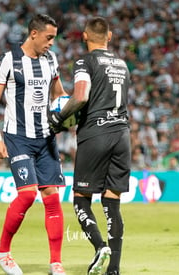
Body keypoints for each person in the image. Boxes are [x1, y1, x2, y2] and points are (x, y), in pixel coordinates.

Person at [49, 17, 131, 275]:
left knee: (81, 198)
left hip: (96, 133)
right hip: (122, 134)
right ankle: (114, 269)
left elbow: (81, 95)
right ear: (110, 36)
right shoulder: (122, 63)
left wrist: (59, 118)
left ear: (85, 36)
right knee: (112, 201)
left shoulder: (85, 61)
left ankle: (99, 246)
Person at [0, 14, 68, 275]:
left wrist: (72, 107)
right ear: (34, 34)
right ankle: (2, 251)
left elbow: (59, 95)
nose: (52, 43)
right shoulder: (8, 60)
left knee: (52, 197)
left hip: (45, 137)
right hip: (17, 137)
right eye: (49, 37)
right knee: (27, 195)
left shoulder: (51, 61)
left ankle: (56, 263)